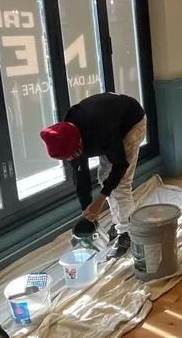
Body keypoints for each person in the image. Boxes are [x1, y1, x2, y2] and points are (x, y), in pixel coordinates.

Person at [40, 93, 146, 258]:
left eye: (73, 154)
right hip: (107, 126)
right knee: (104, 177)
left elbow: (120, 165)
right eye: (66, 157)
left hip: (132, 123)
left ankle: (128, 233)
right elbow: (80, 173)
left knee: (120, 184)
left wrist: (99, 201)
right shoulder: (65, 136)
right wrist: (87, 210)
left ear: (79, 143)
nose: (70, 159)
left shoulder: (102, 132)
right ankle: (120, 222)